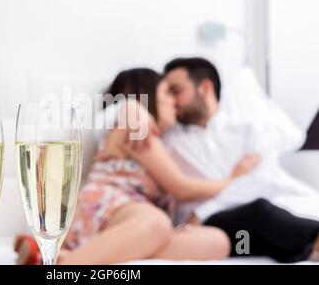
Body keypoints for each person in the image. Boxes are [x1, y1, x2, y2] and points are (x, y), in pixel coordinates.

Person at [15, 68, 258, 265]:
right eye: (167, 93)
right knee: (156, 224)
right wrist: (233, 178)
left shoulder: (158, 137)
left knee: (218, 241)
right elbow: (182, 188)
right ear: (148, 95)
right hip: (105, 205)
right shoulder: (136, 130)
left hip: (128, 222)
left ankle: (71, 253)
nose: (174, 101)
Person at [127, 58, 319, 263]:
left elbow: (258, 180)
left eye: (177, 90)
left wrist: (202, 212)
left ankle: (310, 249)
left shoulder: (246, 128)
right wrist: (134, 110)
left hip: (230, 226)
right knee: (260, 213)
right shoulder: (168, 136)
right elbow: (121, 113)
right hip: (204, 227)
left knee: (269, 237)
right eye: (168, 93)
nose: (173, 100)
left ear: (205, 88)